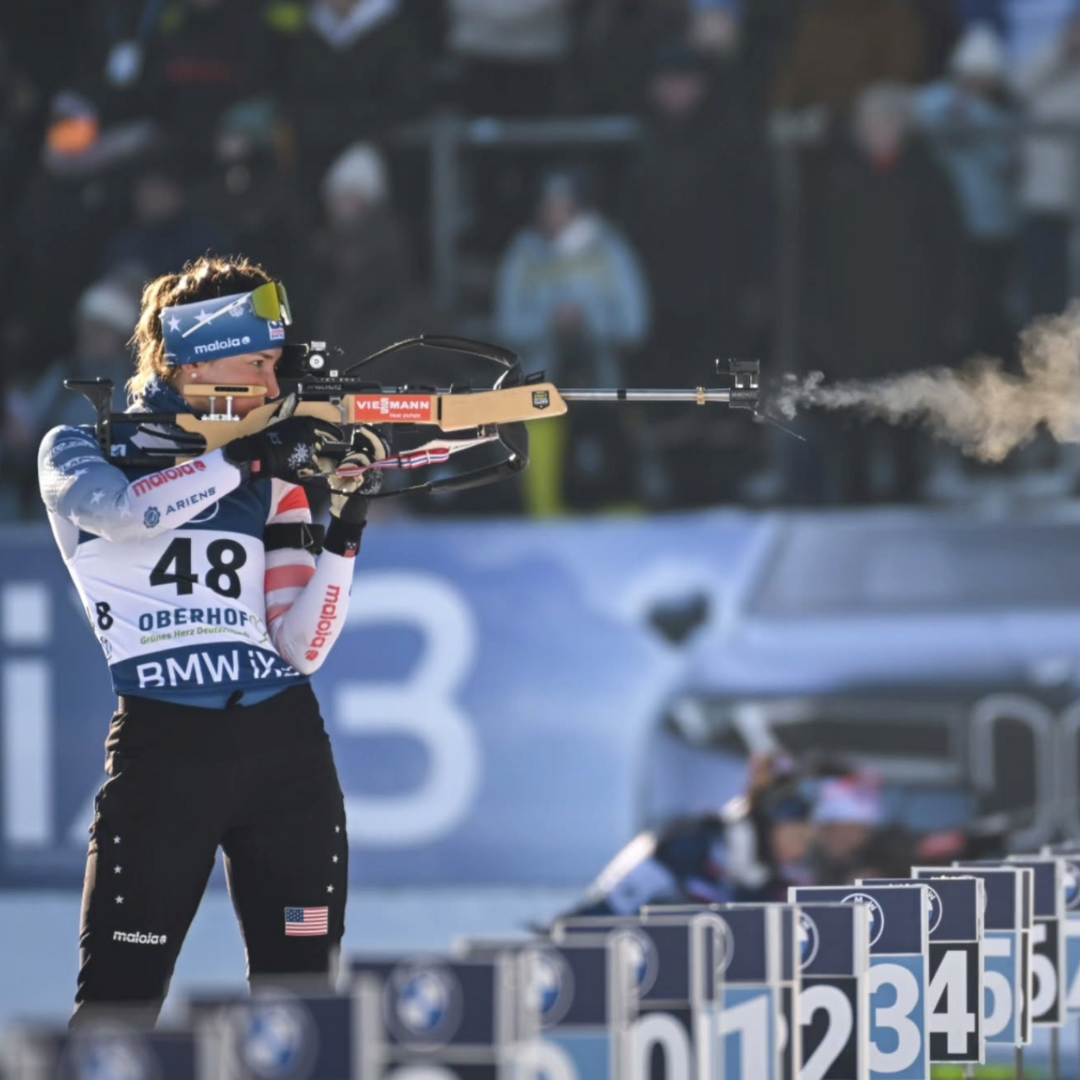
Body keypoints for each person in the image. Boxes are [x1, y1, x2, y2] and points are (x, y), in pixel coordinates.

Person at [37, 254, 390, 1026]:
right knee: (114, 1018)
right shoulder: (76, 446)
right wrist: (246, 458)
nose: (270, 386)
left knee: (307, 1022)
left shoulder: (270, 476)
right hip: (166, 755)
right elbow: (124, 512)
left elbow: (301, 648)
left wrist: (346, 524)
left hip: (286, 749)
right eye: (258, 362)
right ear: (196, 356)